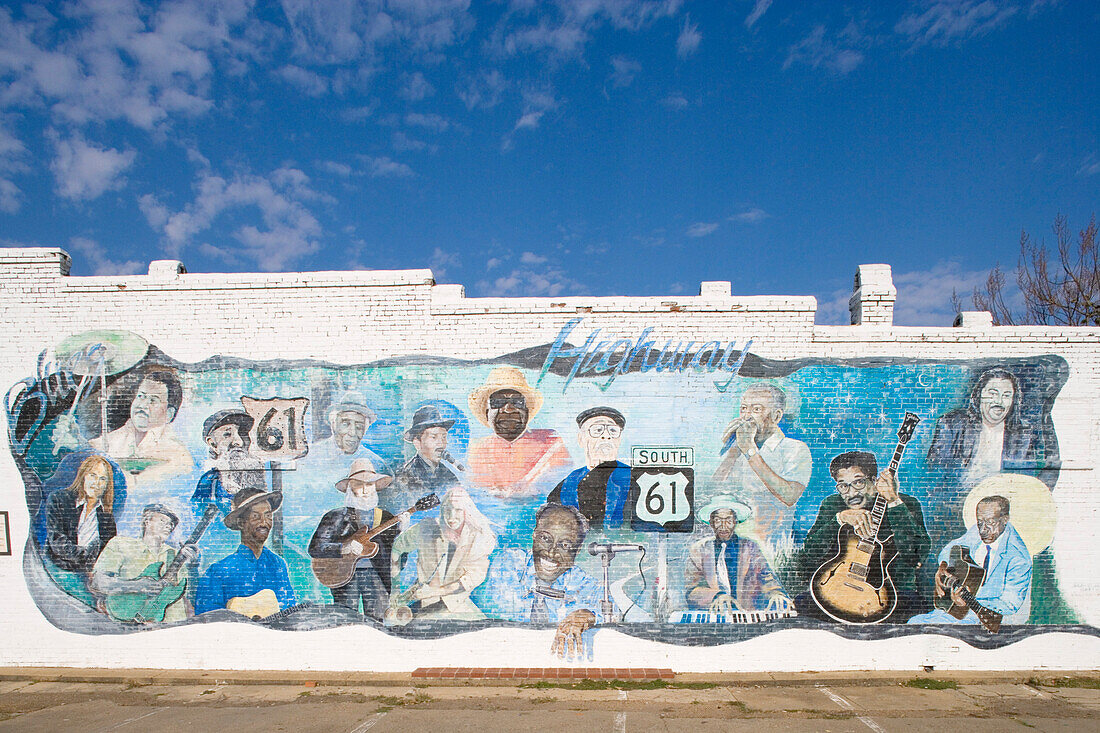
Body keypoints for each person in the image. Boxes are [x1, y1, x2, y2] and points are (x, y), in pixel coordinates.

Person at [797, 451, 930, 623]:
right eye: (843, 486)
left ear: (874, 481)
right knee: (801, 605)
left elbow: (916, 556)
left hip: (892, 594)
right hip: (838, 590)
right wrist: (839, 519)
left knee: (917, 610)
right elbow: (810, 553)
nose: (851, 493)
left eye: (858, 482)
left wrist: (893, 502)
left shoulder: (905, 503)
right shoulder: (832, 505)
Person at [926, 368, 1059, 537]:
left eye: (1006, 395)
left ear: (1013, 400)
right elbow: (935, 476)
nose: (999, 402)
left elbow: (1030, 480)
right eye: (993, 393)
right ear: (979, 396)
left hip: (998, 513)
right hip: (955, 512)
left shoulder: (1024, 435)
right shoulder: (952, 425)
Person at [485, 503, 605, 659]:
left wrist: (589, 615)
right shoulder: (509, 563)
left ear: (578, 549)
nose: (551, 552)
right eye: (545, 538)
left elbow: (614, 612)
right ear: (534, 535)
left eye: (565, 545)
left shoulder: (585, 583)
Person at [711, 383, 811, 557]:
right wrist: (733, 451)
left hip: (770, 550)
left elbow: (789, 495)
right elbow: (712, 491)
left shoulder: (794, 449)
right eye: (743, 409)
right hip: (732, 548)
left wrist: (750, 451)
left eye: (756, 409)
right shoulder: (738, 449)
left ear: (776, 416)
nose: (746, 417)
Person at [908, 495, 1033, 625]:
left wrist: (969, 601)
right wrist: (943, 567)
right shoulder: (977, 530)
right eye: (980, 522)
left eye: (990, 522)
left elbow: (1009, 604)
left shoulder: (1019, 559)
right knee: (914, 622)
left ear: (1005, 519)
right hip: (958, 610)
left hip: (985, 616)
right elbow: (950, 548)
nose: (983, 530)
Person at [388, 486, 497, 622]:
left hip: (456, 607)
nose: (451, 517)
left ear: (466, 512)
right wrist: (395, 590)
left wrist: (432, 591)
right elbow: (397, 548)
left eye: (458, 510)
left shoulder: (478, 539)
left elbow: (469, 580)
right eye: (447, 509)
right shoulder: (426, 527)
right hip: (422, 605)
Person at [308, 459, 399, 620]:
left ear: (376, 487)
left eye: (369, 485)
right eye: (359, 485)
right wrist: (344, 548)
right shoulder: (335, 516)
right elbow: (315, 548)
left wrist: (401, 531)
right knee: (345, 620)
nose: (365, 490)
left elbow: (397, 552)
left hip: (376, 576)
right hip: (343, 576)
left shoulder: (386, 517)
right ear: (350, 487)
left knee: (377, 622)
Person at [467, 367, 571, 498]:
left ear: (527, 410)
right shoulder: (476, 450)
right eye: (498, 402)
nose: (508, 409)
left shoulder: (551, 442)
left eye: (517, 402)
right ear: (487, 412)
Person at [194, 487, 296, 616]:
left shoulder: (278, 565)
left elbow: (290, 609)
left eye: (268, 516)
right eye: (255, 516)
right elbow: (206, 619)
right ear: (241, 523)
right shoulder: (219, 572)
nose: (264, 523)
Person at [685, 496, 792, 615]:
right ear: (711, 523)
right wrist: (717, 596)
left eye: (729, 520)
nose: (723, 526)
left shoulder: (750, 548)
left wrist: (775, 593)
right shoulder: (699, 550)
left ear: (735, 522)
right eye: (718, 521)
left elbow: (766, 577)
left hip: (746, 614)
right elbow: (691, 590)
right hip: (715, 614)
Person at [91, 504, 196, 623]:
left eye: (171, 524)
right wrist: (138, 586)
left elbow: (191, 595)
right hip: (127, 624)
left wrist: (193, 566)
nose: (168, 526)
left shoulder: (176, 555)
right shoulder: (121, 544)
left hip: (171, 627)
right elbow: (98, 582)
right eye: (162, 521)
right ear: (147, 521)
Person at [90, 368, 194, 489]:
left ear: (169, 414)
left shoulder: (177, 454)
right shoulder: (114, 438)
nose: (142, 405)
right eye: (140, 396)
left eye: (153, 400)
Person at [546, 406, 632, 530]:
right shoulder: (568, 484)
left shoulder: (632, 478)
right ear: (581, 439)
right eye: (597, 430)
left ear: (619, 440)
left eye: (613, 431)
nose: (606, 436)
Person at [43, 454, 118, 573]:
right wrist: (87, 556)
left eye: (102, 479)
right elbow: (57, 542)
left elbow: (108, 551)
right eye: (93, 475)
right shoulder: (58, 499)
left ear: (107, 485)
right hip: (59, 569)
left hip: (89, 572)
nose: (97, 483)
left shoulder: (106, 516)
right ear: (83, 476)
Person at [191, 410, 266, 516]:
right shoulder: (209, 482)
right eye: (227, 434)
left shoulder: (257, 476)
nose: (238, 442)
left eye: (242, 434)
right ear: (213, 444)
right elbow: (197, 515)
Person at [391, 405, 460, 511]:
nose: (441, 443)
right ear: (417, 443)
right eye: (434, 437)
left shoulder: (449, 475)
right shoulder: (405, 476)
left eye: (443, 437)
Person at [310, 391, 387, 469]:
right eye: (345, 424)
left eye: (359, 427)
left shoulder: (375, 462)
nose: (353, 433)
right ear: (334, 424)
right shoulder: (312, 455)